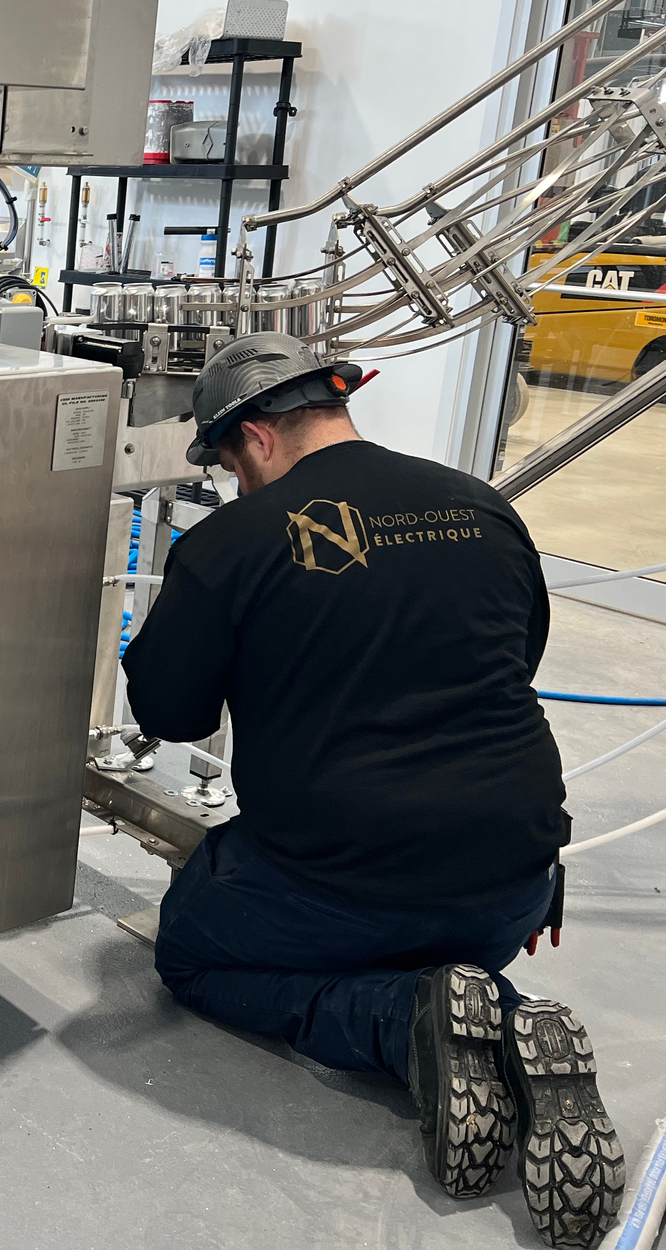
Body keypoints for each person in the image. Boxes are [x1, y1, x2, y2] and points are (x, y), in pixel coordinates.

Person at [120, 332, 625, 1249]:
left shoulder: (235, 541)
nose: (235, 486)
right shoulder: (482, 507)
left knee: (192, 951)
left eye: (230, 466)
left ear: (256, 439)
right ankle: (506, 1021)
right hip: (511, 890)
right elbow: (516, 668)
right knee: (419, 931)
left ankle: (405, 1024)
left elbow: (171, 710)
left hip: (334, 885)